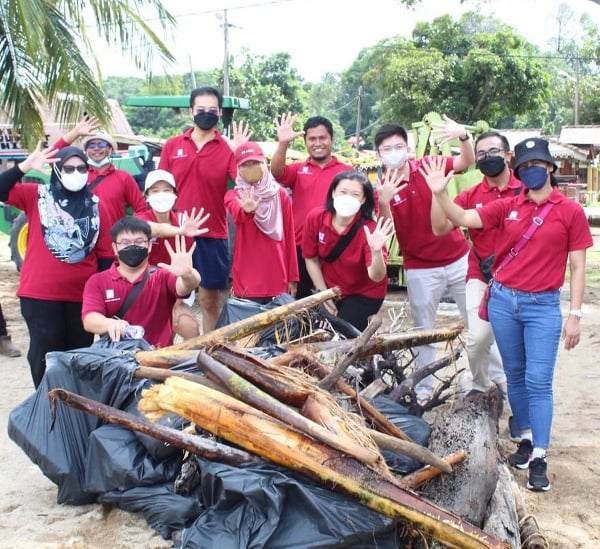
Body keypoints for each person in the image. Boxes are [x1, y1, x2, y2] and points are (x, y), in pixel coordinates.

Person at [421, 137, 593, 492]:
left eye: (537, 165)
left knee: (538, 380)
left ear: (549, 167)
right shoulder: (508, 206)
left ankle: (540, 457)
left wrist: (574, 314)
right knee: (514, 374)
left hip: (542, 306)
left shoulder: (569, 211)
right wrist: (440, 192)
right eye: (525, 166)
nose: (531, 171)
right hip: (503, 301)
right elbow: (464, 217)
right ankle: (527, 439)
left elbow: (577, 267)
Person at [375, 116, 475, 405]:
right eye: (386, 148)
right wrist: (384, 201)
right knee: (424, 331)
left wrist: (463, 136)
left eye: (398, 146)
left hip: (458, 259)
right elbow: (387, 229)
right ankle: (423, 390)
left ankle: (488, 379)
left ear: (408, 148)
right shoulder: (382, 188)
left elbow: (465, 162)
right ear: (378, 154)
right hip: (419, 267)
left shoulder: (430, 164)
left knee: (478, 322)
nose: (393, 151)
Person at [0, 144, 113, 388]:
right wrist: (23, 167)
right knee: (45, 351)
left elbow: (105, 256)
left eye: (81, 168)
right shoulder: (36, 196)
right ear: (57, 170)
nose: (76, 173)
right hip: (40, 295)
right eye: (68, 168)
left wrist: (104, 298)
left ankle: (71, 407)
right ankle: (45, 403)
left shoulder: (96, 205)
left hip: (82, 297)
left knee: (77, 354)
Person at [430, 131, 521, 399]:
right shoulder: (471, 196)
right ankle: (481, 384)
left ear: (508, 155)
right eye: (481, 154)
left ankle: (517, 398)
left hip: (520, 280)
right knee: (478, 339)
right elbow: (439, 227)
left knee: (518, 346)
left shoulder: (526, 190)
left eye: (493, 152)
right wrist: (439, 194)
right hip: (482, 277)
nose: (487, 158)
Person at [159, 86, 237, 333]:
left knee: (209, 300)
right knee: (170, 298)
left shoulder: (227, 149)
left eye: (212, 110)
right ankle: (168, 355)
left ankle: (209, 352)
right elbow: (160, 186)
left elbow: (243, 184)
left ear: (219, 113)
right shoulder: (172, 146)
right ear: (191, 111)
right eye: (201, 109)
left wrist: (240, 152)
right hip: (176, 234)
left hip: (212, 235)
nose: (206, 113)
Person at [82, 216, 200, 347]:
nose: (132, 246)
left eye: (139, 242)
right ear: (115, 248)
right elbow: (89, 319)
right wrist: (110, 324)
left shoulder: (162, 276)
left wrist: (187, 274)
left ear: (149, 245)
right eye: (125, 243)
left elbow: (186, 286)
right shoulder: (98, 281)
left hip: (158, 357)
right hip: (115, 359)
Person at [271, 114, 353, 299]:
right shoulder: (299, 170)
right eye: (312, 139)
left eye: (322, 138)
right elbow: (276, 172)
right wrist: (283, 143)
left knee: (334, 301)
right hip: (300, 247)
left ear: (331, 139)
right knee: (301, 305)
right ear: (306, 141)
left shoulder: (347, 172)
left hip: (336, 246)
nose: (318, 143)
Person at [302, 170, 395, 331]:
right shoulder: (316, 217)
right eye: (343, 192)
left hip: (364, 292)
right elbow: (311, 258)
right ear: (333, 192)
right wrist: (324, 296)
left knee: (344, 333)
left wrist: (376, 251)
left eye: (355, 194)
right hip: (331, 289)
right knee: (318, 331)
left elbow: (376, 275)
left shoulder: (369, 229)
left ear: (363, 199)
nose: (347, 198)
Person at [136, 169, 210, 340]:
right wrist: (181, 231)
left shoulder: (184, 220)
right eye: (155, 191)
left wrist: (177, 303)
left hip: (176, 289)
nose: (161, 195)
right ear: (146, 196)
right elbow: (156, 230)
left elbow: (186, 270)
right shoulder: (139, 219)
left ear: (175, 194)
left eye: (167, 190)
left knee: (190, 328)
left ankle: (188, 365)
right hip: (145, 291)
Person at [225, 142, 298, 301]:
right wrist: (247, 210)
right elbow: (238, 214)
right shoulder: (234, 195)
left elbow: (289, 236)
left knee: (278, 326)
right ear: (237, 168)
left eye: (256, 163)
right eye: (245, 164)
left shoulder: (280, 195)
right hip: (245, 281)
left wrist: (293, 277)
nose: (251, 168)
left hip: (277, 277)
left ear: (264, 163)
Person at [55, 122, 147, 228]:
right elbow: (53, 156)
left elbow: (142, 210)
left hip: (112, 241)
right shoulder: (77, 174)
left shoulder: (124, 177)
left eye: (102, 144)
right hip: (82, 241)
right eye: (91, 145)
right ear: (85, 150)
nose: (96, 148)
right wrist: (75, 133)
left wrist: (128, 230)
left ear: (110, 149)